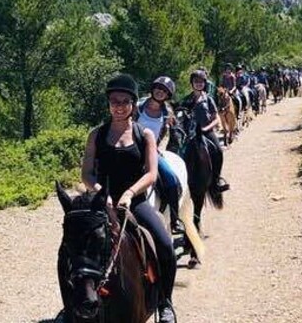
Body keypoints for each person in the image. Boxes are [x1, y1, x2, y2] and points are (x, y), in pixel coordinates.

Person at [81, 74, 176, 323]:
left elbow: (152, 174)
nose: (119, 105)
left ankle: (165, 302)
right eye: (114, 101)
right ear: (108, 103)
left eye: (125, 101)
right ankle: (72, 305)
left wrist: (129, 193)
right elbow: (86, 173)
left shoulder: (144, 134)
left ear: (134, 104)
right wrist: (101, 192)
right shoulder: (96, 135)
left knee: (165, 245)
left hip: (136, 202)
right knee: (75, 245)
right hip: (103, 203)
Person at [138, 76, 183, 234]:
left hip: (152, 151)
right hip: (130, 147)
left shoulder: (167, 113)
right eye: (158, 88)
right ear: (153, 88)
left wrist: (158, 150)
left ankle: (175, 219)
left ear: (168, 95)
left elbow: (167, 135)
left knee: (170, 177)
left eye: (164, 91)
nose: (160, 92)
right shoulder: (138, 106)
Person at [182, 69, 230, 192]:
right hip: (191, 134)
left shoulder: (208, 99)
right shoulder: (186, 100)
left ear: (204, 83)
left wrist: (206, 129)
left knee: (218, 151)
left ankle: (216, 179)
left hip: (207, 132)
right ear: (191, 83)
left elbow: (216, 119)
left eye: (201, 81)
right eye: (196, 81)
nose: (198, 84)